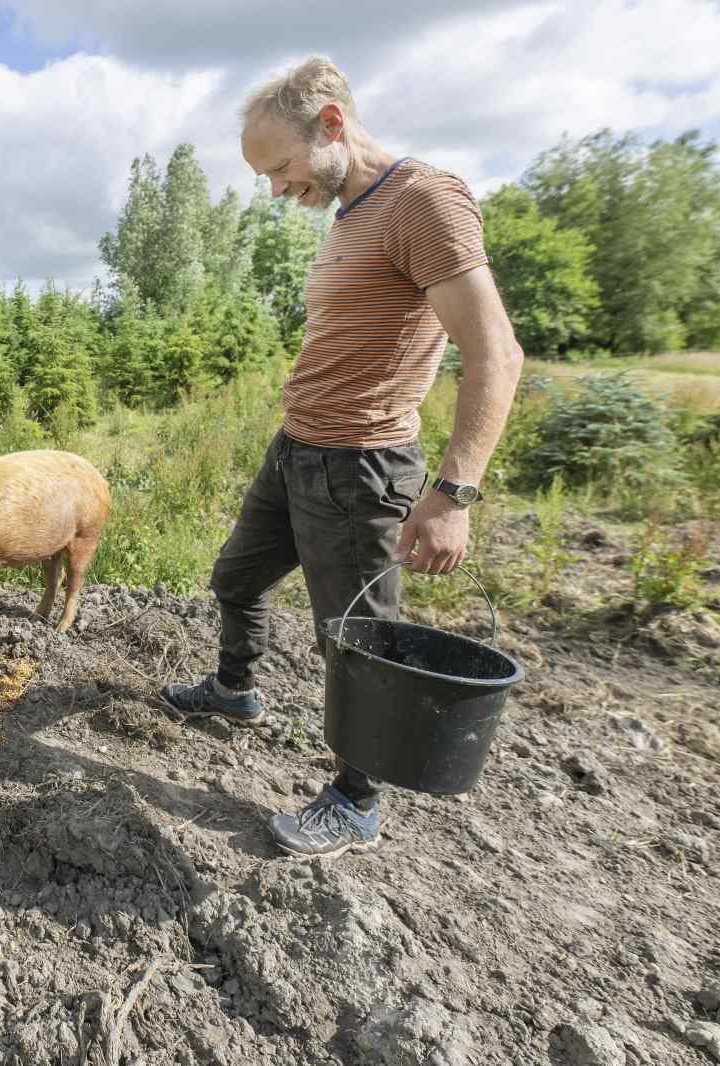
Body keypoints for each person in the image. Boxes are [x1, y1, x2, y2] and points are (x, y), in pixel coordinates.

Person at [160, 55, 525, 857]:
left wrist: (453, 492)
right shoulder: (350, 216)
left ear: (331, 124)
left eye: (281, 168)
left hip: (362, 466)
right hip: (297, 449)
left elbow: (495, 352)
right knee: (236, 577)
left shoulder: (423, 201)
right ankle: (233, 688)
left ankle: (356, 800)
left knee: (355, 641)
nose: (276, 188)